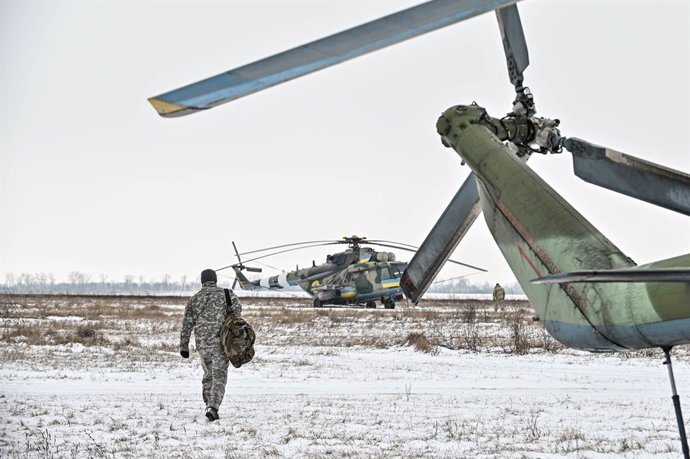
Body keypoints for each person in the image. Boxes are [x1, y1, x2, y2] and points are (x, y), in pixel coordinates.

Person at [180, 268, 242, 421]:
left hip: (203, 344)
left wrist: (184, 347)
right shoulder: (227, 295)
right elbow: (238, 312)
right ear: (215, 280)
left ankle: (208, 403)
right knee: (219, 376)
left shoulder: (194, 299)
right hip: (222, 344)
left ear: (202, 281)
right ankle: (213, 407)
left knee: (208, 374)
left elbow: (187, 324)